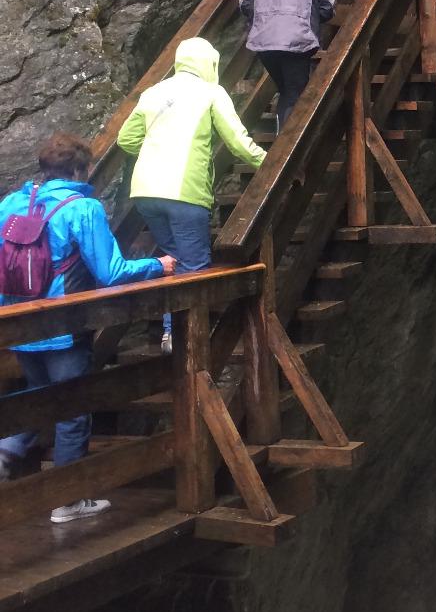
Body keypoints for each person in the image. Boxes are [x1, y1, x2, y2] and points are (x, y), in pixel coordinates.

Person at [0, 132, 175, 521]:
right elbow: (111, 272)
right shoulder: (83, 208)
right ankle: (68, 500)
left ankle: (6, 454)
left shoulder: (11, 203)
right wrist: (156, 266)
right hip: (63, 326)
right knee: (72, 408)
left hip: (18, 326)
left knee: (37, 396)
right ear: (82, 168)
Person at [117, 37, 265, 353]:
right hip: (184, 191)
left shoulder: (153, 92)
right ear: (209, 64)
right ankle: (185, 342)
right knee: (195, 268)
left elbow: (126, 139)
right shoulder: (211, 93)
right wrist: (268, 162)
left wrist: (156, 152)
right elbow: (238, 142)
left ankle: (172, 332)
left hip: (145, 191)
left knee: (177, 261)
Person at [239, 0, 335, 131]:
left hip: (264, 42)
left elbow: (245, 3)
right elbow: (327, 5)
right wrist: (318, 20)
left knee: (286, 90)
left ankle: (281, 143)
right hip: (298, 39)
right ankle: (285, 154)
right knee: (294, 94)